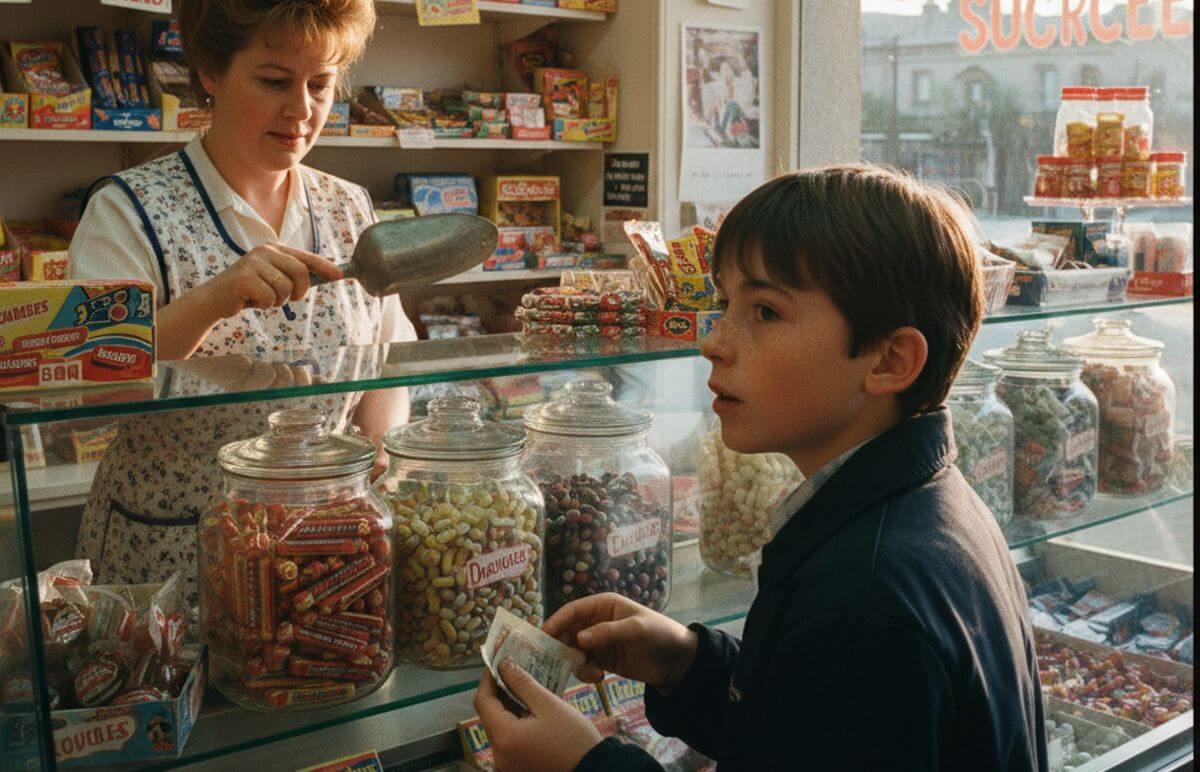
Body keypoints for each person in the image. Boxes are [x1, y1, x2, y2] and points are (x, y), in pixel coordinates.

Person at [473, 165, 1048, 771]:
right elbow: (812, 732)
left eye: (766, 312)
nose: (714, 342)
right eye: (725, 303)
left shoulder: (862, 598)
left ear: (890, 359)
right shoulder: (920, 506)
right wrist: (688, 664)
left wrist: (583, 767)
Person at [69, 0, 415, 599]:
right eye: (274, 80)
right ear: (210, 73)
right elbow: (94, 395)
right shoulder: (128, 211)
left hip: (321, 550)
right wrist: (214, 299)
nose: (302, 110)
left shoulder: (350, 207)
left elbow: (387, 359)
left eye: (321, 83)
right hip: (172, 557)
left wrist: (382, 449)